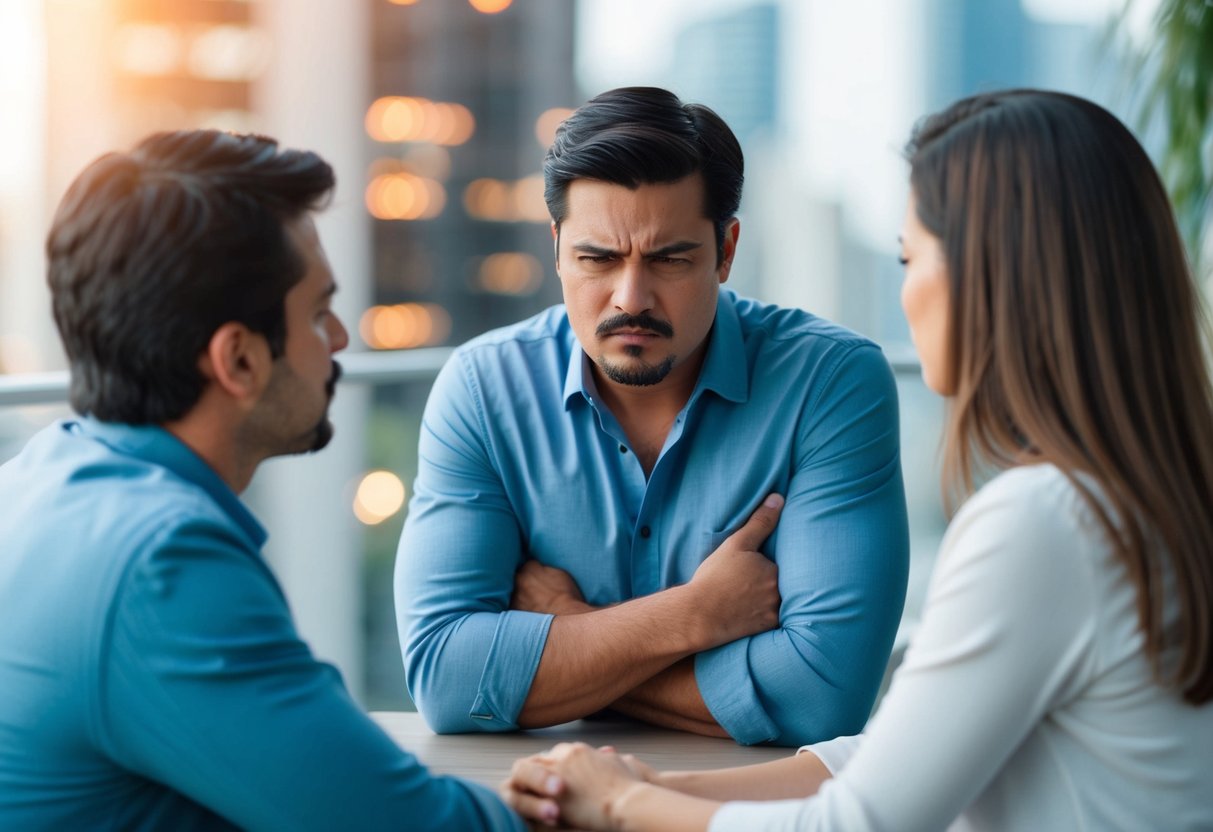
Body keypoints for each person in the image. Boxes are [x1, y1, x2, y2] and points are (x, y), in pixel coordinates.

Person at [500, 89, 1213, 831]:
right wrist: (658, 782)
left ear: (990, 276)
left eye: (910, 257)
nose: (904, 293)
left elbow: (855, 824)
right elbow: (897, 756)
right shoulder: (1143, 499)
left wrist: (617, 796)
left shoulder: (1042, 523)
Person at [0, 130, 523, 831]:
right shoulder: (163, 564)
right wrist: (607, 795)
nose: (338, 339)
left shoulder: (35, 478)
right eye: (315, 313)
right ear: (238, 361)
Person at [394, 86, 910, 747]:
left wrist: (568, 630)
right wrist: (695, 616)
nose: (630, 298)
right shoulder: (482, 388)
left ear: (725, 251)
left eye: (670, 259)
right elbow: (445, 679)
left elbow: (820, 699)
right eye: (596, 258)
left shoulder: (829, 383)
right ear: (555, 248)